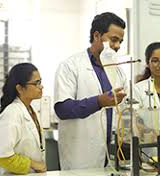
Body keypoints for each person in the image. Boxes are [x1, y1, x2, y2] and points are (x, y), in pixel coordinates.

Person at [54, 12, 127, 170]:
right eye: (114, 40)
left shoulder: (118, 72)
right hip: (78, 158)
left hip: (107, 158)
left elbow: (124, 112)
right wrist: (99, 102)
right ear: (97, 35)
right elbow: (62, 109)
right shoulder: (70, 66)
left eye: (120, 41)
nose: (118, 46)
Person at [0, 63, 47, 175]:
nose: (41, 86)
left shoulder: (31, 110)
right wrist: (33, 164)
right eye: (36, 83)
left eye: (40, 81)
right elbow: (2, 157)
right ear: (20, 88)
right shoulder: (12, 114)